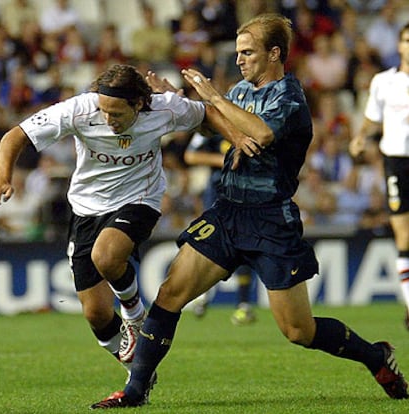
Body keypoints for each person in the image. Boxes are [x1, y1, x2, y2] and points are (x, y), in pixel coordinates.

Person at [90, 14, 408, 409]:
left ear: (275, 54)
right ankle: (135, 390)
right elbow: (216, 126)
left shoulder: (289, 98)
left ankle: (375, 356)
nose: (239, 60)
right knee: (170, 293)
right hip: (228, 212)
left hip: (271, 219)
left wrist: (214, 97)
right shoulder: (241, 90)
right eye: (238, 52)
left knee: (298, 330)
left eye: (247, 52)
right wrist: (181, 100)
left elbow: (259, 133)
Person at [0, 64, 205, 384]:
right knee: (95, 314)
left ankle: (135, 318)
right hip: (86, 209)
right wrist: (2, 176)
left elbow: (209, 117)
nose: (108, 119)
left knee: (106, 255)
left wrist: (241, 142)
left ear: (138, 104)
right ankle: (138, 372)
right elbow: (15, 136)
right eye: (104, 111)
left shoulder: (165, 108)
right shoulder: (79, 109)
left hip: (140, 198)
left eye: (117, 113)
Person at [350, 22, 409, 329]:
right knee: (404, 235)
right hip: (397, 162)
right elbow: (372, 118)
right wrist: (360, 137)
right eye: (407, 41)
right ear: (399, 46)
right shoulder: (384, 82)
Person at [184, 131, 257, 325]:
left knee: (243, 245)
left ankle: (243, 304)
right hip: (217, 193)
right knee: (212, 243)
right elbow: (190, 155)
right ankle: (204, 293)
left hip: (246, 191)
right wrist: (225, 159)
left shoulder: (249, 121)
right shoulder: (211, 124)